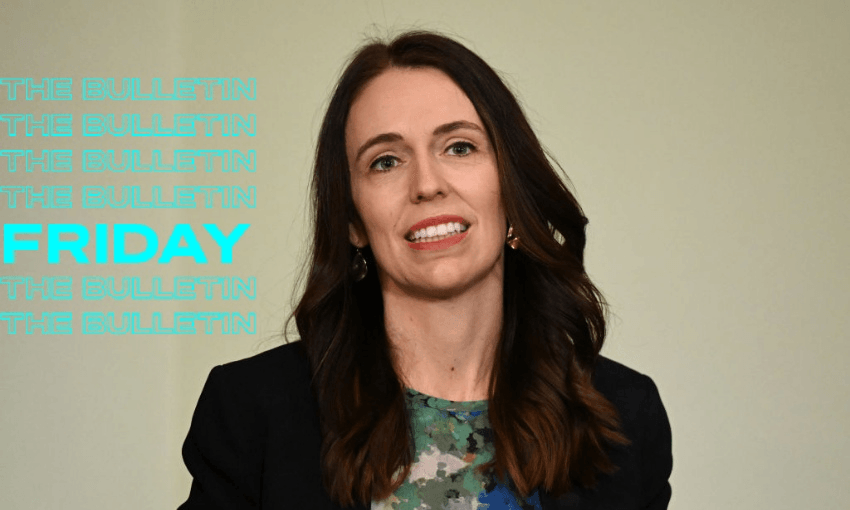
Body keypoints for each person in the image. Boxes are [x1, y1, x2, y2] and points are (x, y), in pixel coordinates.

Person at [178, 31, 672, 510]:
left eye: (459, 147)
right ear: (353, 221)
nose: (427, 184)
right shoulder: (253, 409)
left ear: (512, 188)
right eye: (386, 161)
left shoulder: (627, 416)